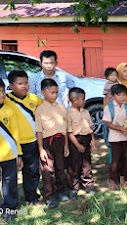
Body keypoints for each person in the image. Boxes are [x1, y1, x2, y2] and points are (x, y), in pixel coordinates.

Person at [4, 70, 42, 205]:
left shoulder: (34, 98)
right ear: (11, 85)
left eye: (26, 83)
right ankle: (10, 201)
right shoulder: (6, 99)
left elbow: (45, 109)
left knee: (32, 171)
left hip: (32, 142)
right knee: (11, 175)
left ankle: (32, 198)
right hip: (13, 145)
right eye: (20, 83)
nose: (24, 86)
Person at [35, 78, 69, 208]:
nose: (54, 95)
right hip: (46, 142)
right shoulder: (39, 110)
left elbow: (65, 128)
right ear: (43, 93)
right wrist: (41, 149)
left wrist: (66, 145)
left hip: (60, 141)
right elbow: (39, 131)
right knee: (48, 170)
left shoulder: (61, 108)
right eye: (51, 92)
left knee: (60, 167)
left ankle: (61, 191)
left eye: (56, 92)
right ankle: (50, 196)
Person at [102, 84, 127, 190]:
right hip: (115, 138)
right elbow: (108, 123)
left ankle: (122, 178)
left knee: (125, 158)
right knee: (115, 160)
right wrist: (119, 128)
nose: (121, 97)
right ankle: (112, 180)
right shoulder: (109, 108)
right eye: (119, 95)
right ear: (113, 96)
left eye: (124, 95)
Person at [67, 87, 96, 200]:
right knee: (74, 164)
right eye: (82, 100)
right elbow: (69, 132)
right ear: (74, 100)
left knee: (87, 163)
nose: (84, 102)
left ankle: (89, 185)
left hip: (86, 138)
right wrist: (77, 145)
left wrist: (93, 140)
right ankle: (73, 188)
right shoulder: (68, 113)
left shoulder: (86, 112)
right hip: (75, 140)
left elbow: (90, 127)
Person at [0, 79, 23, 222]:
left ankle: (9, 208)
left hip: (9, 154)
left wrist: (19, 154)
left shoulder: (9, 110)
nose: (2, 94)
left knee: (9, 181)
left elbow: (15, 134)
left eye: (3, 91)